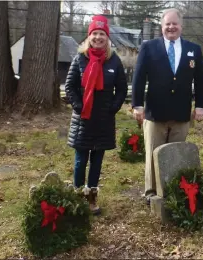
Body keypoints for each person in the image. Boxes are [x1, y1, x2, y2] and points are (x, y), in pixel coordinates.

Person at [132, 8, 203, 205]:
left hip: (181, 113)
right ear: (162, 26)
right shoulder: (148, 47)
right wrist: (137, 105)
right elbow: (138, 78)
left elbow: (200, 81)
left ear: (181, 26)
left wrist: (200, 106)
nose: (171, 27)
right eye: (167, 24)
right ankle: (151, 193)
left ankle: (173, 189)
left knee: (176, 155)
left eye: (175, 24)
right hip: (155, 112)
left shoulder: (194, 49)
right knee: (153, 153)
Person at [65, 15, 128, 215]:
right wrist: (77, 105)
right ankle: (77, 197)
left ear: (107, 37)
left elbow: (122, 88)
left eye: (102, 34)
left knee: (97, 160)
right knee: (80, 160)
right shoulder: (79, 59)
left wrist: (113, 107)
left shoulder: (114, 61)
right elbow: (70, 86)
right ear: (89, 36)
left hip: (103, 120)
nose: (98, 37)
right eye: (94, 33)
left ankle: (91, 198)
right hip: (83, 119)